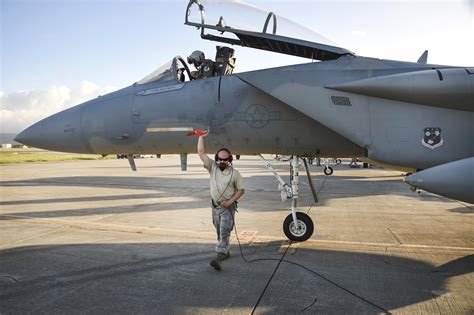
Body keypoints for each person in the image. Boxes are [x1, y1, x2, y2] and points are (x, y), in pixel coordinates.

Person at [197, 133, 245, 271]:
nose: (222, 162)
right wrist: (201, 137)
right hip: (215, 206)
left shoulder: (235, 173)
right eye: (219, 159)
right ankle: (225, 250)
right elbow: (201, 153)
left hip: (227, 208)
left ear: (229, 160)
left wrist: (230, 202)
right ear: (216, 159)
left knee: (224, 230)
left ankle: (219, 257)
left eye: (225, 160)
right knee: (219, 230)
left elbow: (241, 190)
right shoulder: (212, 168)